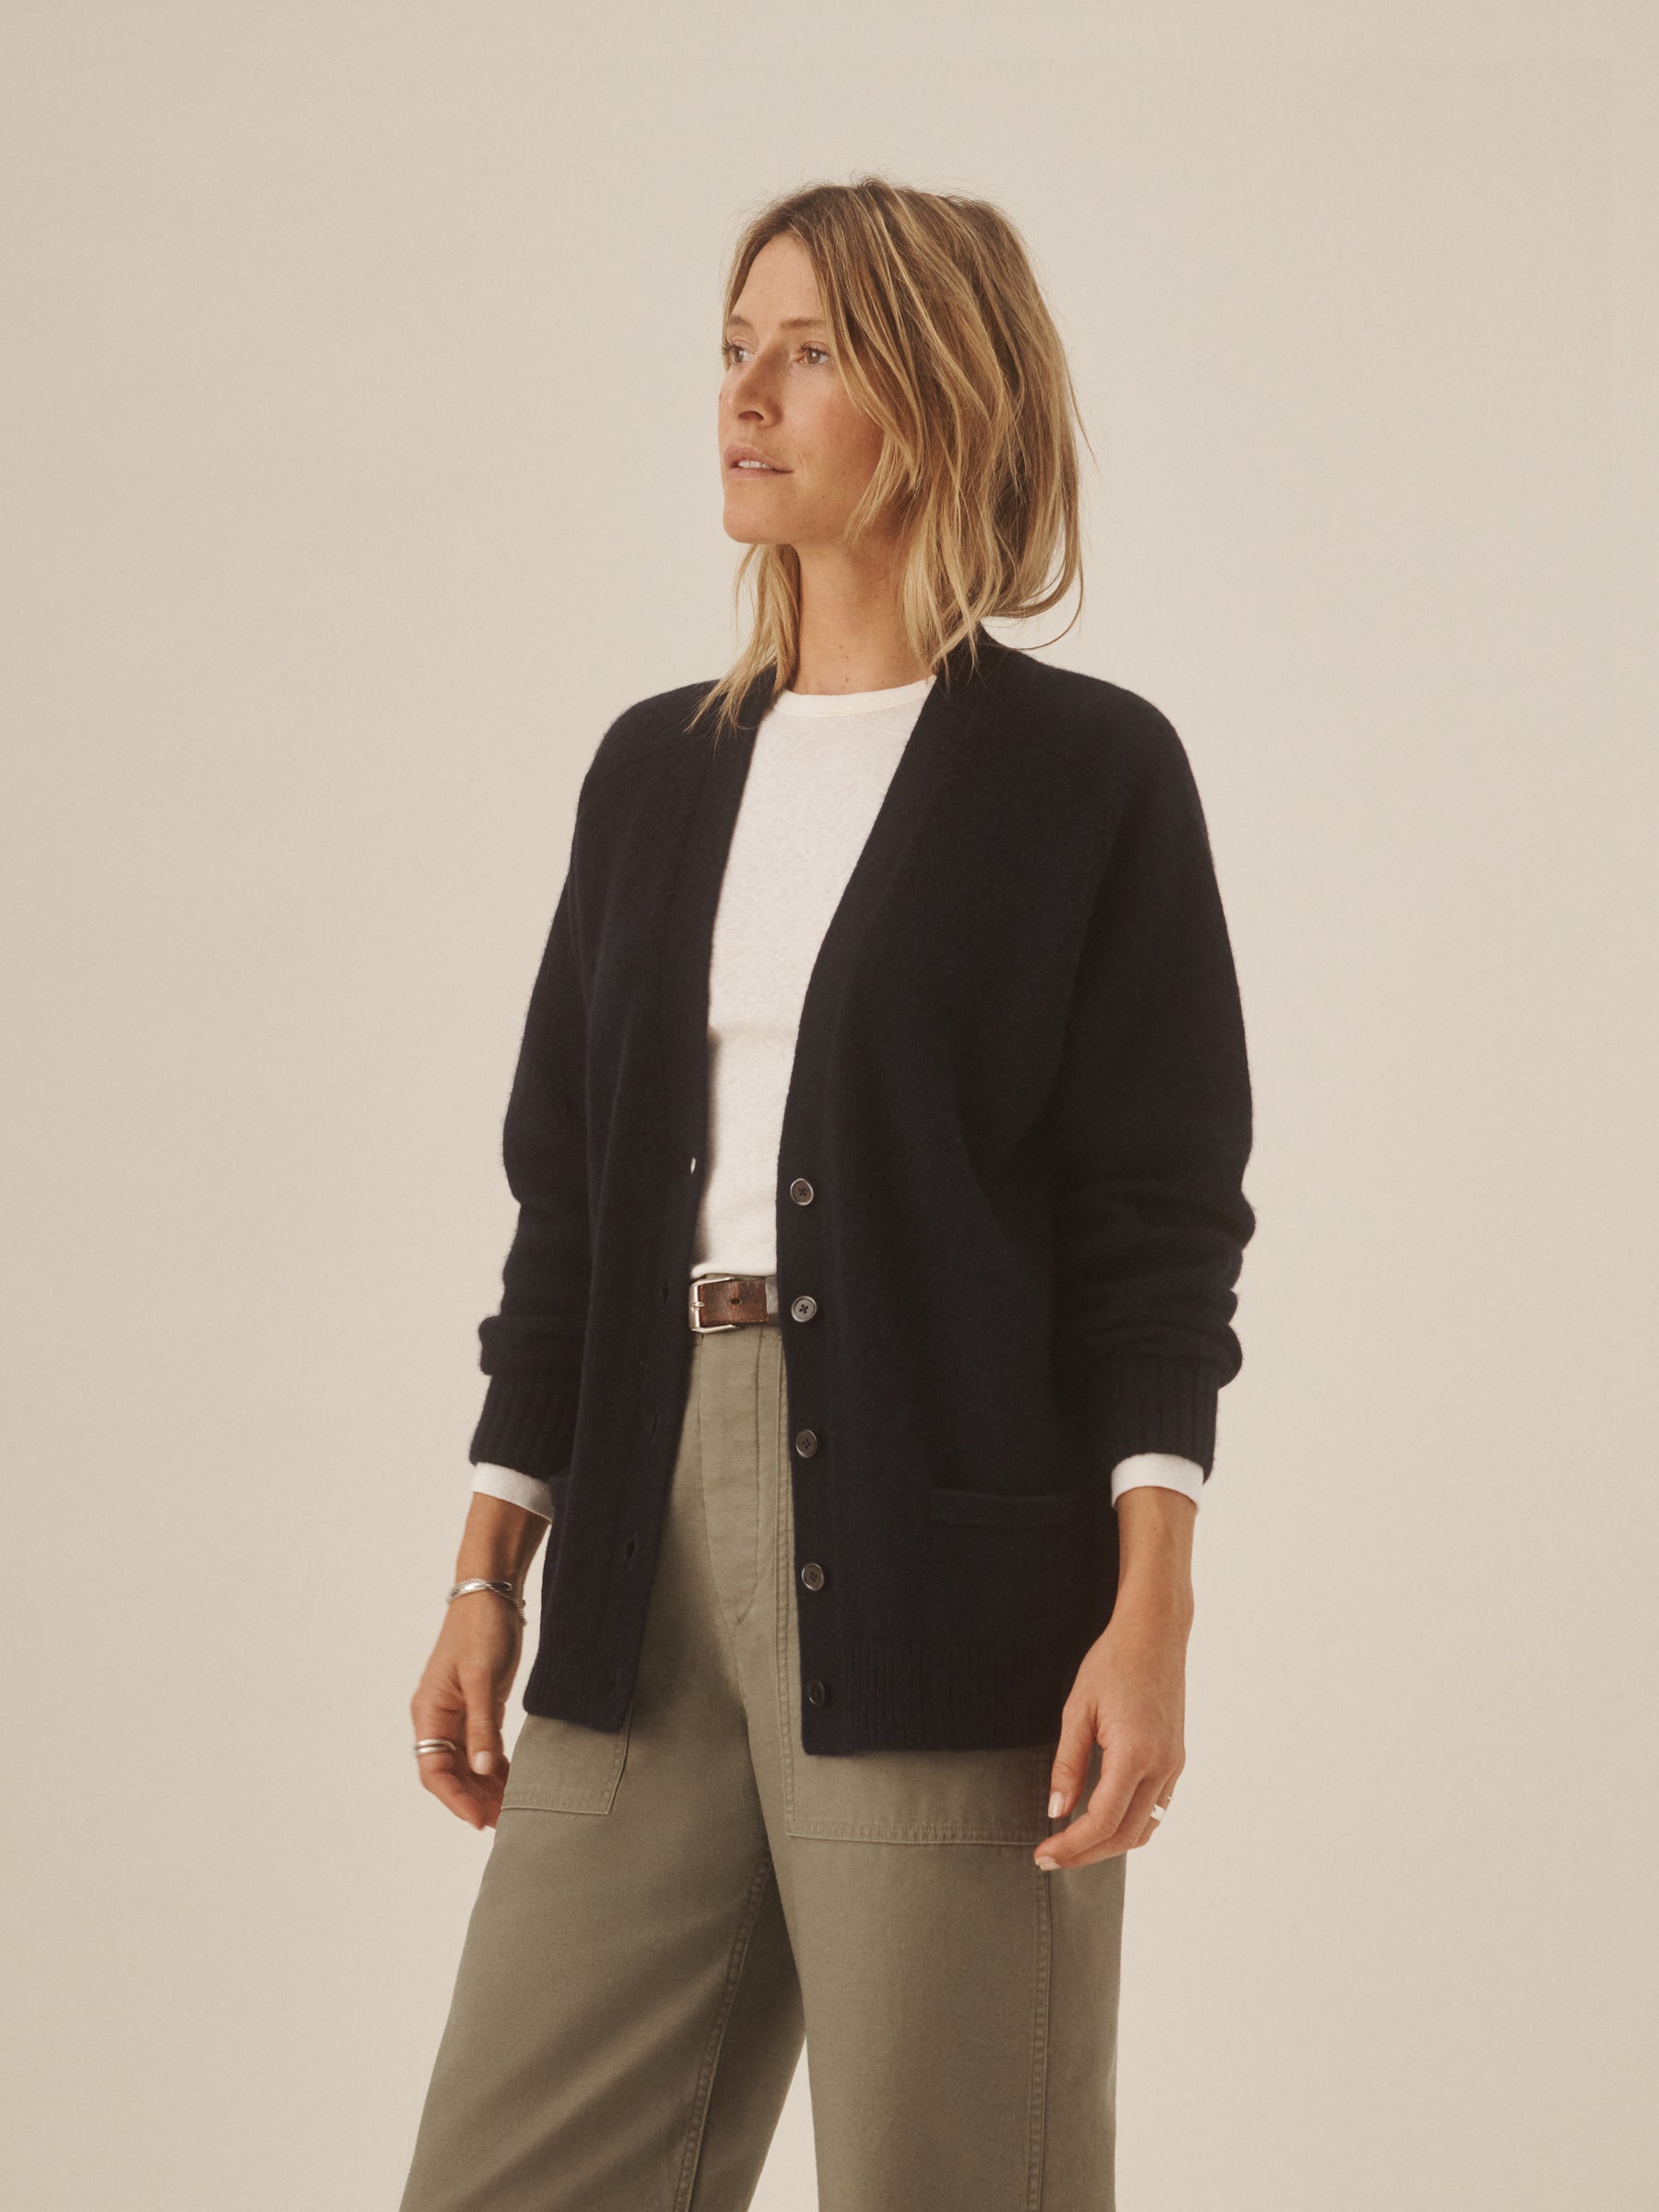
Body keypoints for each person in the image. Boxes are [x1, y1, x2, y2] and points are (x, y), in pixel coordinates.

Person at [398, 174, 1254, 2212]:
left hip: (946, 1561)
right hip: (636, 1554)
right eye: (732, 350)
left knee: (954, 2179)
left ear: (942, 399)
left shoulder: (1087, 777)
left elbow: (1156, 1226)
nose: (744, 397)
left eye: (807, 354)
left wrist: (1152, 1611)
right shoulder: (651, 774)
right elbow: (567, 1213)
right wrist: (487, 1567)